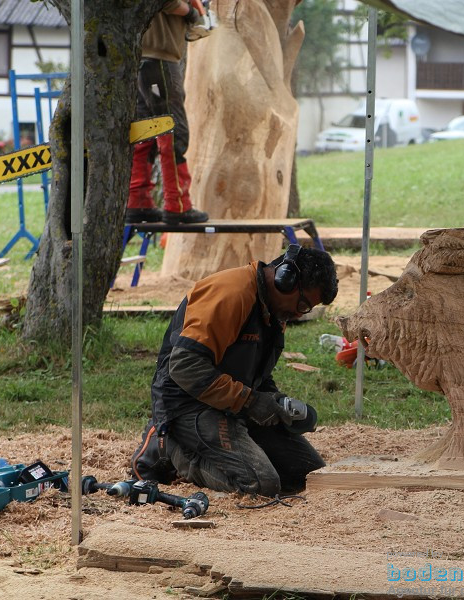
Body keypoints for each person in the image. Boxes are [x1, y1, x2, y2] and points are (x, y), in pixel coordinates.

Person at [130, 245, 339, 498]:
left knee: (305, 474)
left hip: (232, 403)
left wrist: (273, 402)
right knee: (260, 485)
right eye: (303, 304)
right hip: (188, 404)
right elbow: (184, 367)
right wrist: (250, 401)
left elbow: (255, 370)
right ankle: (170, 450)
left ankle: (228, 445)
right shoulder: (231, 293)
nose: (299, 313)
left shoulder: (272, 309)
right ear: (286, 279)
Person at [126, 0, 209, 225]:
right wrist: (191, 12)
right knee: (173, 133)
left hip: (143, 61)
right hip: (160, 60)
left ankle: (138, 202)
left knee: (145, 135)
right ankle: (177, 205)